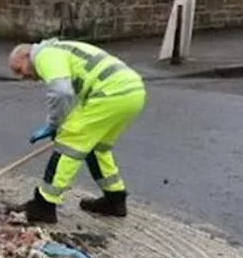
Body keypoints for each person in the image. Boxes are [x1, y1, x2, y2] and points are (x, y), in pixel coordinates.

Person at [8, 38, 148, 224]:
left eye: (19, 69)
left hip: (110, 94)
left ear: (27, 55)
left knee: (69, 144)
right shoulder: (62, 49)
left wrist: (55, 124)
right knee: (97, 148)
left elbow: (61, 92)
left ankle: (44, 205)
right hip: (133, 93)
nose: (22, 76)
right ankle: (114, 199)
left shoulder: (44, 55)